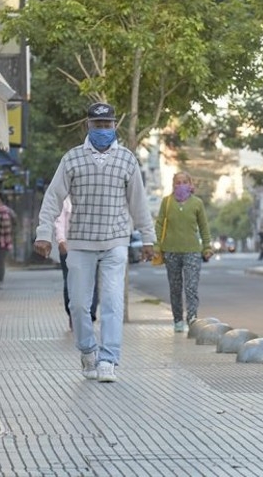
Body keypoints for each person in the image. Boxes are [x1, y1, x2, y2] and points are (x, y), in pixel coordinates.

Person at [33, 102, 156, 383]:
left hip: (115, 242)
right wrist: (43, 234)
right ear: (87, 125)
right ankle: (87, 349)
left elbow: (138, 203)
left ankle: (108, 360)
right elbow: (53, 198)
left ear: (115, 126)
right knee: (78, 305)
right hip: (79, 243)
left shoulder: (127, 159)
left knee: (112, 301)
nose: (102, 130)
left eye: (107, 125)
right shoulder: (72, 159)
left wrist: (148, 238)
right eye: (97, 125)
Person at [154, 172, 212, 333]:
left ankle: (192, 318)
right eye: (178, 182)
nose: (181, 185)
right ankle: (178, 320)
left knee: (191, 287)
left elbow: (204, 227)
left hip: (192, 251)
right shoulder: (166, 202)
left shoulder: (197, 203)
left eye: (185, 182)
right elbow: (159, 225)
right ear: (173, 184)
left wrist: (207, 246)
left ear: (190, 183)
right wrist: (156, 245)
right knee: (175, 288)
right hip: (170, 251)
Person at [55, 196, 99, 330]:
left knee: (92, 281)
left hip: (91, 246)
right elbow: (59, 220)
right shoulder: (65, 200)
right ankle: (73, 314)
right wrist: (61, 240)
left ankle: (89, 316)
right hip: (69, 247)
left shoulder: (93, 198)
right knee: (70, 282)